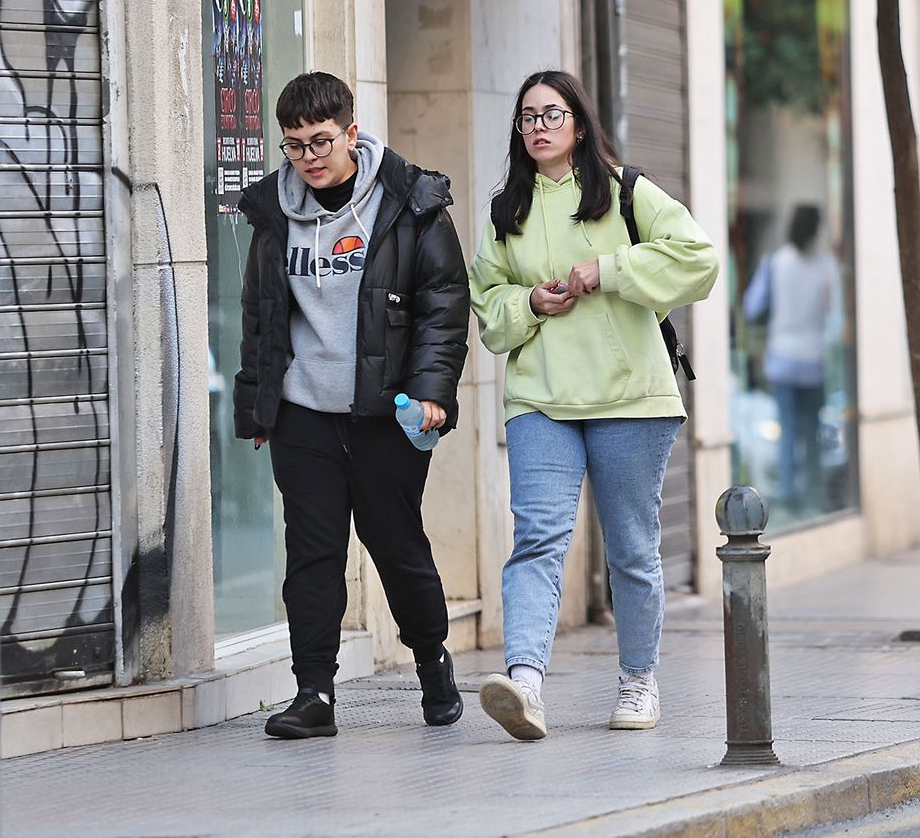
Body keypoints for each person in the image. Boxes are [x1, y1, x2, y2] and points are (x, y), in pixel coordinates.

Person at [468, 69, 719, 740]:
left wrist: (608, 271)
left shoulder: (626, 192)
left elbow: (699, 259)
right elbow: (489, 311)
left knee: (633, 549)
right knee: (539, 539)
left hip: (629, 398)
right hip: (540, 399)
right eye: (527, 117)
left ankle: (639, 679)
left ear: (579, 122)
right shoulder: (504, 213)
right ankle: (524, 682)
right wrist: (528, 302)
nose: (539, 126)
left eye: (552, 114)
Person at [234, 71, 470, 738]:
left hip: (383, 410)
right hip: (304, 412)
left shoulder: (408, 202)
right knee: (312, 551)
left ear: (350, 133)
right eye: (294, 145)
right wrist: (258, 405)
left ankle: (430, 657)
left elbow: (444, 305)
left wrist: (430, 392)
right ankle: (315, 692)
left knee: (395, 545)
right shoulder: (274, 214)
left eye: (320, 140)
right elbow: (260, 313)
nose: (309, 156)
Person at [743, 204, 841, 513]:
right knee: (811, 435)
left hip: (782, 360)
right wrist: (821, 342)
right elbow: (835, 323)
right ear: (816, 231)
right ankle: (812, 494)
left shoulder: (774, 263)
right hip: (813, 363)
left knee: (786, 431)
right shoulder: (826, 268)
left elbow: (751, 306)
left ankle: (788, 495)